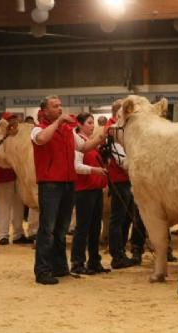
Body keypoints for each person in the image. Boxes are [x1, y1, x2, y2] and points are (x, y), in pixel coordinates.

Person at [31, 95, 105, 285]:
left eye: (60, 106)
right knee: (47, 229)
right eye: (55, 106)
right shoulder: (38, 128)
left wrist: (102, 136)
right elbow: (41, 139)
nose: (60, 109)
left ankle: (60, 267)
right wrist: (57, 122)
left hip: (68, 183)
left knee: (61, 229)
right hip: (50, 184)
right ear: (45, 110)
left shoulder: (67, 131)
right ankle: (42, 271)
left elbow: (84, 146)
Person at [105, 99, 146, 269]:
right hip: (120, 180)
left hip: (126, 180)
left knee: (126, 218)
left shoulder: (120, 129)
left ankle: (121, 251)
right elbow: (122, 160)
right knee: (118, 218)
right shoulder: (113, 131)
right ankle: (117, 255)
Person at [70, 112, 110, 274]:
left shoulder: (90, 143)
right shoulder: (78, 143)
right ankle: (77, 262)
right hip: (83, 191)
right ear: (79, 124)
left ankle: (94, 261)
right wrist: (95, 170)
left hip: (95, 189)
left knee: (95, 228)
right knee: (83, 228)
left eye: (93, 123)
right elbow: (76, 167)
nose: (92, 126)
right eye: (88, 123)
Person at [0, 112, 33, 246]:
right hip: (4, 173)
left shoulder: (19, 136)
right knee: (4, 205)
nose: (14, 122)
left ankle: (18, 233)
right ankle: (3, 235)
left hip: (19, 174)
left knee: (18, 204)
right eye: (11, 119)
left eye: (15, 119)